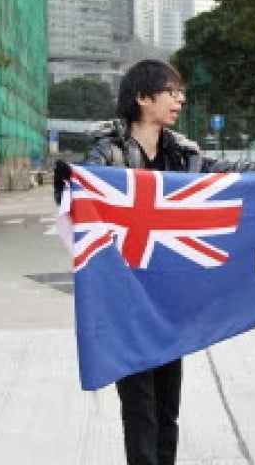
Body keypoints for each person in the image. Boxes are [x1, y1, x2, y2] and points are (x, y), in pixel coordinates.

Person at [79, 59, 215, 465]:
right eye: (171, 91)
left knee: (167, 408)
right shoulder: (107, 151)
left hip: (170, 302)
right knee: (139, 409)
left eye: (180, 92)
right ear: (142, 97)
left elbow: (233, 180)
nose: (180, 99)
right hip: (125, 301)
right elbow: (77, 194)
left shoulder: (185, 154)